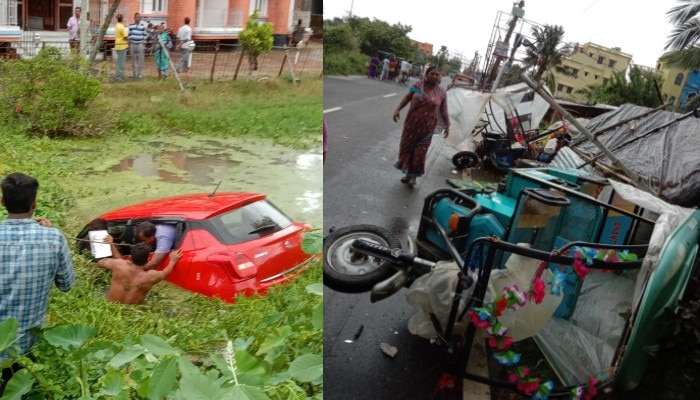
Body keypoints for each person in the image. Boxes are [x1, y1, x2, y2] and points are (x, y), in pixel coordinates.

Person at [0, 173, 76, 389]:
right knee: (19, 389)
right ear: (33, 204)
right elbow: (67, 284)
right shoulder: (53, 237)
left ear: (3, 202)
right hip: (27, 347)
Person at [392, 66, 450, 187]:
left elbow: (444, 110)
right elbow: (407, 98)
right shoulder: (418, 86)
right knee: (407, 149)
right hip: (411, 125)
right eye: (432, 74)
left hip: (427, 128)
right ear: (426, 74)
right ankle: (408, 174)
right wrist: (397, 110)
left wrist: (447, 126)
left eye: (437, 74)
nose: (435, 76)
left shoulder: (441, 93)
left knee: (420, 151)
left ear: (440, 77)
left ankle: (413, 177)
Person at [97, 244, 182, 304]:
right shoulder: (151, 277)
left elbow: (100, 263)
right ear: (148, 260)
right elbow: (165, 273)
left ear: (130, 257)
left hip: (109, 306)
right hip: (132, 314)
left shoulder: (118, 264)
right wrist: (172, 261)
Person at [106, 221, 176, 270]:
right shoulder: (153, 230)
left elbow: (154, 263)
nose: (143, 244)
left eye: (144, 240)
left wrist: (133, 269)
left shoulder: (163, 239)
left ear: (152, 237)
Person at [128, 12, 148, 79]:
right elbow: (129, 35)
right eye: (136, 17)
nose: (138, 18)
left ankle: (139, 74)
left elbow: (145, 35)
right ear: (134, 18)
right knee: (132, 60)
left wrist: (144, 44)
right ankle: (134, 73)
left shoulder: (142, 26)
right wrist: (129, 43)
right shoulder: (131, 25)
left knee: (140, 60)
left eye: (139, 17)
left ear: (140, 18)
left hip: (140, 44)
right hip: (133, 44)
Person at [114, 14, 128, 82]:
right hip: (122, 46)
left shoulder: (117, 25)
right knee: (121, 63)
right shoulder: (122, 27)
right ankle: (119, 76)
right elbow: (125, 37)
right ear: (122, 19)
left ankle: (119, 75)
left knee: (119, 62)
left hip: (117, 45)